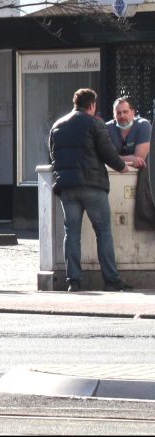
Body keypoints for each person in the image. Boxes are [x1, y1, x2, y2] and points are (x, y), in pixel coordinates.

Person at [49, 88, 132, 292]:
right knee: (103, 232)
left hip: (67, 187)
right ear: (92, 105)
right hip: (92, 185)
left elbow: (52, 154)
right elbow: (108, 152)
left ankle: (74, 281)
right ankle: (111, 280)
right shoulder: (95, 123)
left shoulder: (57, 125)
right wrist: (122, 167)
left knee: (72, 233)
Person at [105, 96, 150, 171]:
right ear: (114, 115)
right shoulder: (106, 128)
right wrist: (130, 159)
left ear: (133, 112)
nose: (122, 116)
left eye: (125, 112)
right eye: (118, 113)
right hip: (113, 173)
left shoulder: (143, 125)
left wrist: (114, 158)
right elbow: (103, 157)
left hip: (141, 174)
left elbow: (139, 160)